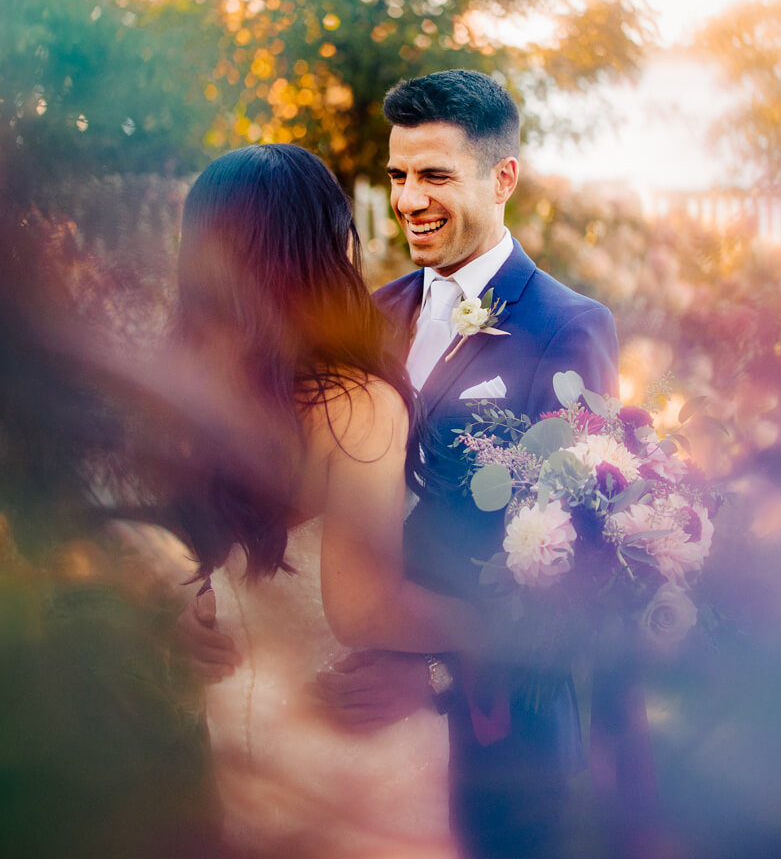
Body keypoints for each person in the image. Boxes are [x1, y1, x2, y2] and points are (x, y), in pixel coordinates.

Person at [183, 71, 620, 859]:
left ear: (503, 178)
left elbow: (582, 567)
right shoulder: (366, 316)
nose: (409, 198)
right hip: (325, 730)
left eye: (436, 175)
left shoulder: (569, 329)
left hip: (498, 749)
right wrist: (203, 596)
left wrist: (439, 678)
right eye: (399, 176)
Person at [172, 142, 477, 859]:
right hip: (357, 747)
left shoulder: (192, 391)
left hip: (249, 727)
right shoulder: (355, 401)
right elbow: (362, 607)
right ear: (325, 248)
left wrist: (178, 610)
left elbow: (180, 549)